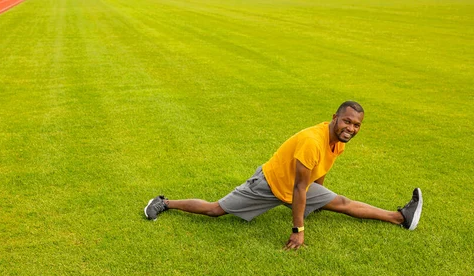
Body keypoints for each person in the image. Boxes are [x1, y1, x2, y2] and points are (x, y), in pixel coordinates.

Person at [144, 101, 423, 250]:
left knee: (342, 203)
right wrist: (298, 230)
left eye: (357, 124)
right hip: (270, 184)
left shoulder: (338, 140)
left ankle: (401, 217)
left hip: (298, 186)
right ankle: (165, 202)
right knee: (216, 210)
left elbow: (317, 174)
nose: (351, 128)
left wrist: (319, 200)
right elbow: (299, 189)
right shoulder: (312, 141)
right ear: (334, 118)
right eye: (347, 121)